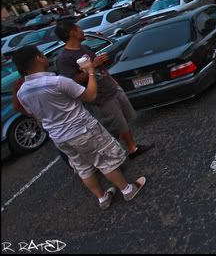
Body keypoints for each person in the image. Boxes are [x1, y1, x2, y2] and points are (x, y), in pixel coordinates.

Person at [14, 45, 148, 210]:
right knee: (104, 160)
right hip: (82, 130)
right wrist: (90, 71)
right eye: (42, 54)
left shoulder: (22, 92)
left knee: (83, 168)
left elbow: (36, 115)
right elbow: (90, 95)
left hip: (59, 137)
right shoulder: (57, 82)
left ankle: (102, 198)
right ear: (38, 58)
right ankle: (127, 190)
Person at [55, 21, 153, 159]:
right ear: (72, 32)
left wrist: (112, 81)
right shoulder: (64, 58)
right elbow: (72, 82)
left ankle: (124, 150)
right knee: (116, 126)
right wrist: (93, 65)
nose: (82, 31)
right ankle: (125, 151)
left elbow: (100, 68)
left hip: (111, 88)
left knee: (123, 121)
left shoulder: (84, 48)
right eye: (79, 29)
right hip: (101, 97)